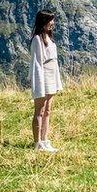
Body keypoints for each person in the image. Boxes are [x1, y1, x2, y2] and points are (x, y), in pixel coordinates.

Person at [30, 9, 63, 153]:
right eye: (50, 20)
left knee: (48, 110)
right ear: (43, 22)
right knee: (40, 110)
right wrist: (39, 85)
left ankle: (45, 139)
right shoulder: (37, 39)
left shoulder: (49, 38)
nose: (52, 23)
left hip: (51, 76)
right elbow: (37, 64)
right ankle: (37, 143)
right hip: (43, 78)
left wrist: (57, 81)